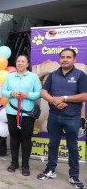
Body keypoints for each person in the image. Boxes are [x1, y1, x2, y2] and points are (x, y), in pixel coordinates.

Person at [37, 48, 87, 189]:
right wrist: (54, 101)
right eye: (63, 57)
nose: (65, 59)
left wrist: (65, 98)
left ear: (74, 60)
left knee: (72, 147)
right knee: (53, 144)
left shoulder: (81, 75)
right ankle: (50, 170)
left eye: (68, 57)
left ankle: (74, 176)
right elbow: (43, 91)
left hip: (72, 118)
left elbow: (85, 96)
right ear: (60, 59)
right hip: (54, 116)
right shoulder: (53, 75)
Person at [1, 54, 41, 176]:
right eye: (18, 61)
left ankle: (25, 165)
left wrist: (27, 95)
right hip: (12, 112)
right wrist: (10, 93)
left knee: (26, 139)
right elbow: (3, 91)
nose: (20, 63)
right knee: (14, 138)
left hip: (28, 114)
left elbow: (39, 93)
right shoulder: (10, 76)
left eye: (23, 61)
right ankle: (14, 163)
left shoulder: (33, 77)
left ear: (27, 64)